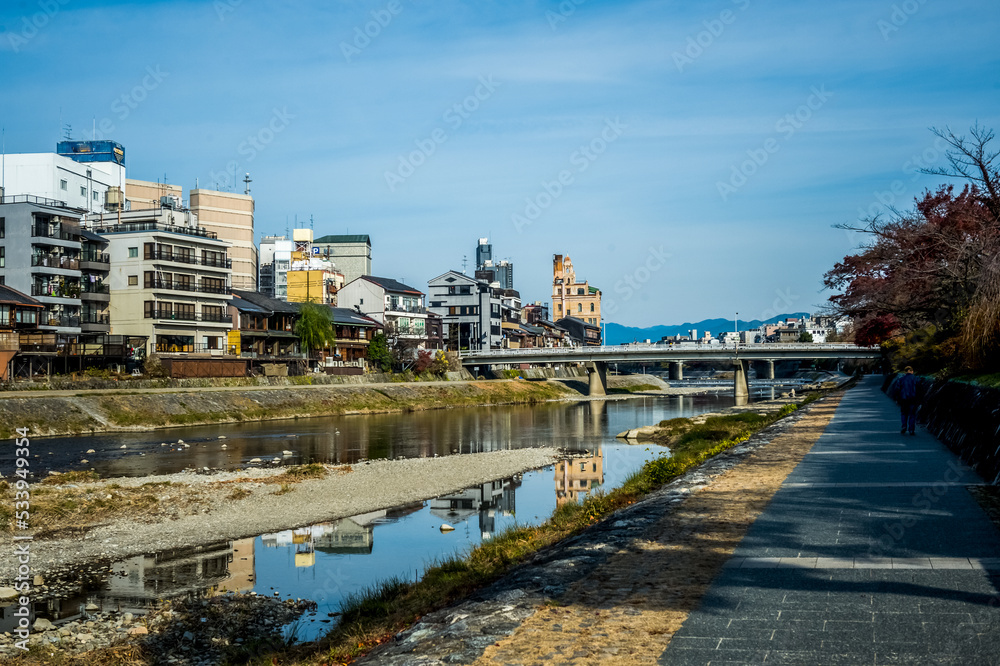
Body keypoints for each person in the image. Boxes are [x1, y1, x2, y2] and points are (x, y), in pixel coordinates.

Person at [896, 366, 918, 435]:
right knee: (912, 414)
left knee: (904, 413)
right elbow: (920, 390)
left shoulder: (901, 379)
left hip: (903, 399)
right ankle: (911, 429)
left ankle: (904, 426)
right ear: (912, 371)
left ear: (905, 372)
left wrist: (897, 399)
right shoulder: (916, 379)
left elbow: (897, 390)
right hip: (913, 399)